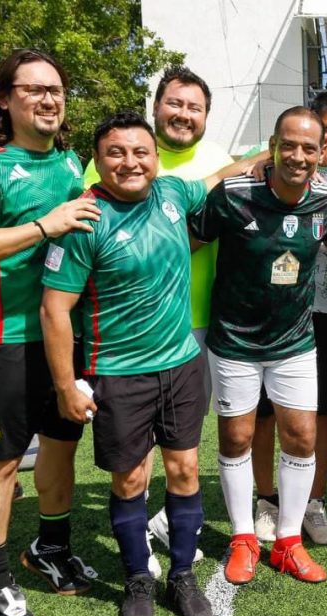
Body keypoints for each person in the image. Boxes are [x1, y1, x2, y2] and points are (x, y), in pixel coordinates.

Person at [42, 111, 216, 616]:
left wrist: (265, 155)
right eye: (115, 152)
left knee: (184, 471)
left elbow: (214, 180)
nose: (129, 161)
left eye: (140, 151)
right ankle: (138, 576)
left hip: (182, 365)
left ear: (156, 158)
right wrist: (64, 386)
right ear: (98, 162)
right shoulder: (83, 220)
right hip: (118, 373)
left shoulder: (172, 195)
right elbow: (54, 309)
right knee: (130, 480)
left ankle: (182, 574)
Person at [0, 48, 101, 616]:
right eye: (33, 89)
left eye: (56, 89)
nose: (48, 98)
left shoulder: (70, 166)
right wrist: (44, 225)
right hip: (5, 340)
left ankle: (51, 549)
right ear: (5, 98)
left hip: (66, 338)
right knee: (1, 462)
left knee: (62, 449)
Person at [83, 66, 237, 573]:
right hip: (124, 343)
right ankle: (137, 555)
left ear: (206, 115)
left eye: (194, 107)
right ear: (157, 107)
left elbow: (221, 182)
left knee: (183, 455)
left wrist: (274, 153)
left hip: (196, 333)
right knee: (134, 464)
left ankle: (176, 547)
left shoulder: (204, 170)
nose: (184, 114)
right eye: (175, 103)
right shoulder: (108, 164)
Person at [190, 106, 327, 586]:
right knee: (235, 436)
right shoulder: (234, 195)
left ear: (321, 154)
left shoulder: (326, 202)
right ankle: (242, 537)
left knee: (301, 435)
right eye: (289, 145)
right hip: (233, 339)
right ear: (273, 147)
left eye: (309, 148)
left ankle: (289, 541)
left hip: (295, 341)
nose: (298, 156)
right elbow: (186, 241)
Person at [251, 92, 327, 546]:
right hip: (269, 312)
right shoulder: (270, 169)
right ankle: (266, 501)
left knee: (324, 410)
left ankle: (314, 501)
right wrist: (259, 158)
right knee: (264, 413)